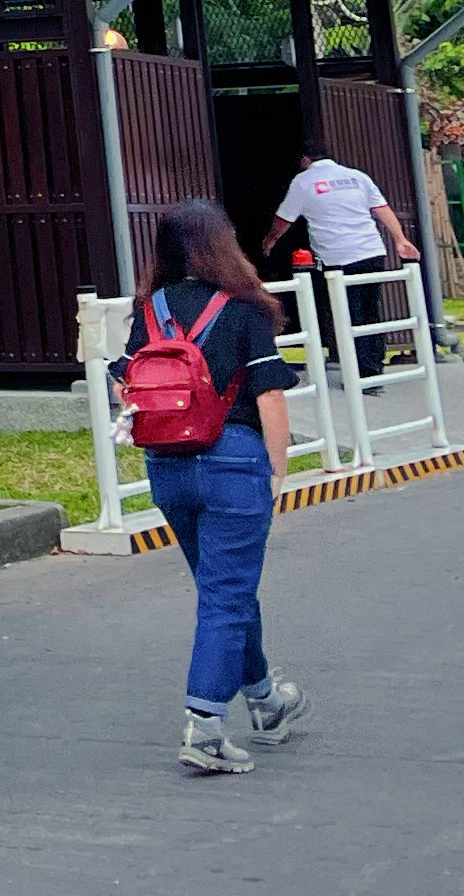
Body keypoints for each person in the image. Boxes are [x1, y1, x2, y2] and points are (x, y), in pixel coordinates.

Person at [116, 200, 309, 775]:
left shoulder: (150, 311)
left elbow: (126, 384)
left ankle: (267, 702)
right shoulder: (245, 310)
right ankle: (204, 728)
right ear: (224, 244)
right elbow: (270, 395)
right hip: (234, 466)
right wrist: (277, 469)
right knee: (227, 595)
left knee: (224, 588)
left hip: (168, 467)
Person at [264, 135, 423, 375]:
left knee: (348, 311)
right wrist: (400, 240)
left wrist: (270, 240)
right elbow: (382, 209)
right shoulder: (357, 176)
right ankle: (373, 363)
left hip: (338, 256)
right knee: (370, 308)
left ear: (304, 159)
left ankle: (362, 369)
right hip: (371, 251)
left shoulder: (303, 182)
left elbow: (284, 219)